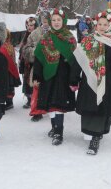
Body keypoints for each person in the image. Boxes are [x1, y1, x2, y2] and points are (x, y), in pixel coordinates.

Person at [70, 10, 111, 155]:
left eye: (105, 24)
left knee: (102, 108)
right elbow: (78, 61)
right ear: (95, 25)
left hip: (107, 83)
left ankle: (95, 137)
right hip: (88, 81)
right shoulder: (88, 40)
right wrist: (73, 79)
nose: (102, 27)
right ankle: (90, 132)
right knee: (90, 107)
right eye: (99, 24)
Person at [33, 8, 77, 145]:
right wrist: (37, 76)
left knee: (58, 105)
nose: (56, 22)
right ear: (50, 22)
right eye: (54, 20)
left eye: (59, 20)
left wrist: (74, 78)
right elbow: (38, 58)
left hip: (63, 77)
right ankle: (54, 127)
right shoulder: (45, 38)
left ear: (63, 21)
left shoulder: (70, 38)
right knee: (50, 104)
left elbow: (75, 61)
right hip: (48, 76)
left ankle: (59, 132)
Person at [22, 11, 50, 121]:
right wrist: (36, 52)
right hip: (38, 67)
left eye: (48, 21)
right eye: (44, 22)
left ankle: (52, 108)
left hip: (53, 67)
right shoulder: (34, 34)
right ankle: (37, 111)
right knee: (37, 89)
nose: (46, 24)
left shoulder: (57, 33)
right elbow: (25, 50)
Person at [18, 17, 38, 109]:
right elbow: (22, 48)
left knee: (33, 81)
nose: (29, 27)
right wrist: (20, 59)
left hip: (34, 62)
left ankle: (35, 99)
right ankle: (29, 99)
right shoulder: (25, 35)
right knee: (26, 81)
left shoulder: (37, 35)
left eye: (31, 25)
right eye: (28, 25)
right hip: (25, 62)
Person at [0, 28, 21, 110]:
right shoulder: (1, 45)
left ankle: (9, 103)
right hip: (2, 70)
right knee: (4, 86)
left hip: (9, 70)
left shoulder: (9, 46)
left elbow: (12, 58)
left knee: (8, 86)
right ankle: (4, 102)